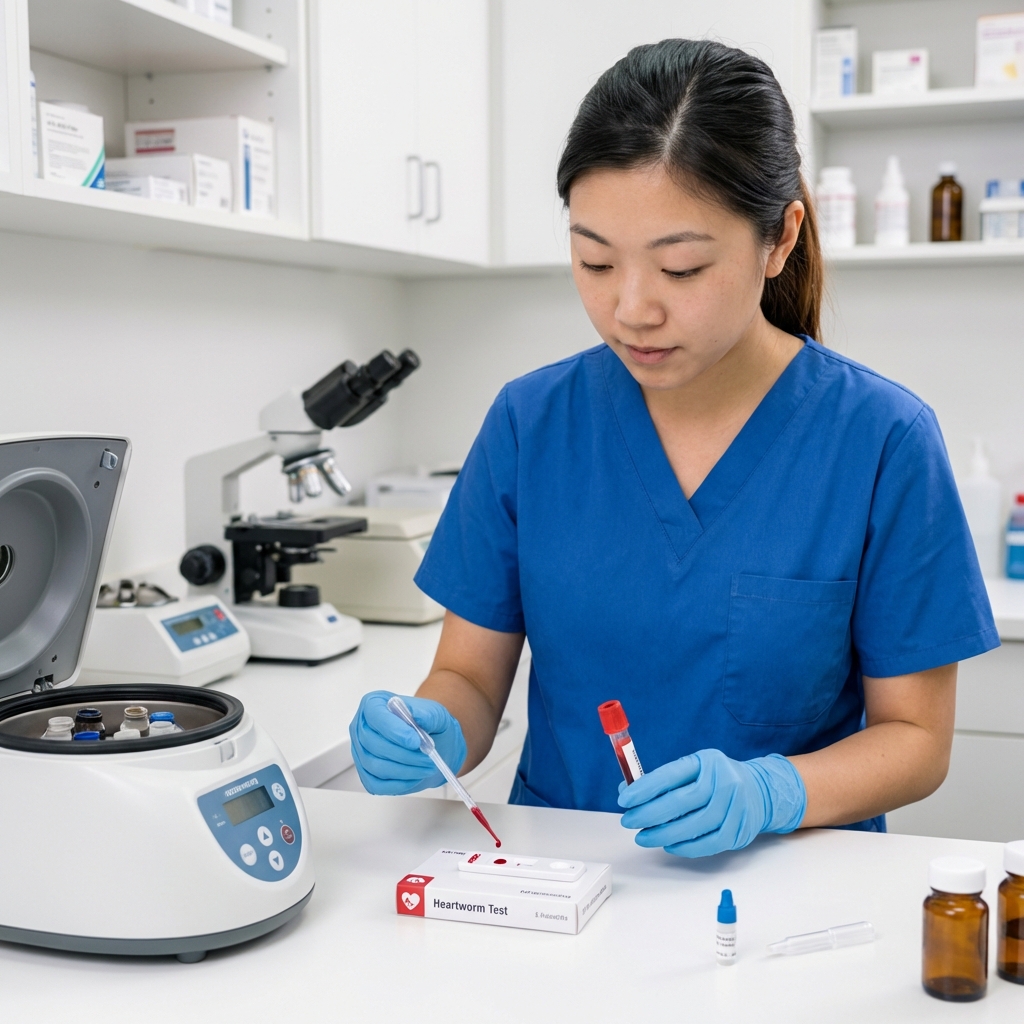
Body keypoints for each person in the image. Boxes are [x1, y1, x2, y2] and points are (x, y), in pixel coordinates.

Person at [348, 38, 998, 858]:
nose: (631, 310)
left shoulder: (881, 441)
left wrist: (774, 791)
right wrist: (432, 728)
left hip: (785, 885)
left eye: (681, 269)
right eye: (594, 260)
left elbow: (916, 740)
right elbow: (472, 679)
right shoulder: (530, 422)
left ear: (780, 239)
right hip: (563, 875)